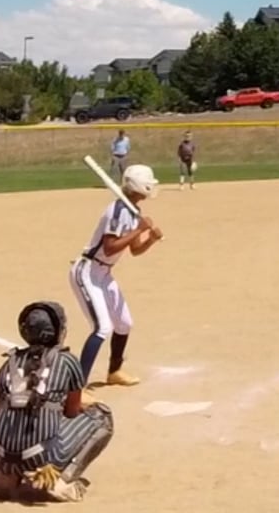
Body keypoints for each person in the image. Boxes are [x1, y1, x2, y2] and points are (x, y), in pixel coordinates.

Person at [0, 301, 115, 502]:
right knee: (102, 416)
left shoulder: (9, 361)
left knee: (20, 418)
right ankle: (61, 481)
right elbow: (71, 412)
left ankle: (7, 475)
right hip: (41, 456)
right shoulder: (67, 361)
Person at [69, 163, 163, 388]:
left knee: (124, 323)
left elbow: (134, 249)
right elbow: (110, 247)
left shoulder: (133, 212)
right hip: (87, 271)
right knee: (102, 327)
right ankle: (77, 388)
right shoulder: (118, 210)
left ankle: (114, 371)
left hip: (103, 274)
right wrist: (139, 229)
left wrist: (150, 239)